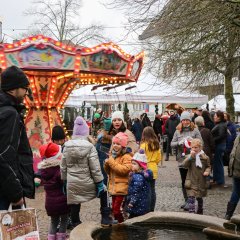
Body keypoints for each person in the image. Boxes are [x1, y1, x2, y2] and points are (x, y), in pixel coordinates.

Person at [0, 66, 35, 210]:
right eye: (24, 87)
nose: (26, 92)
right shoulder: (10, 114)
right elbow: (5, 155)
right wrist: (15, 193)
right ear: (13, 89)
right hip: (6, 191)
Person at [61, 116, 105, 228]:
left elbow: (63, 167)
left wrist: (64, 180)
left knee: (74, 199)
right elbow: (95, 168)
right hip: (86, 181)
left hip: (71, 181)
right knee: (105, 192)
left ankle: (75, 221)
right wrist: (99, 183)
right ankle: (106, 216)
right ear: (86, 132)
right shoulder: (90, 147)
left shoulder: (66, 146)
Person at [171, 111, 202, 210]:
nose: (185, 122)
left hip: (193, 160)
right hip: (182, 160)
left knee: (192, 181)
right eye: (183, 120)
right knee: (184, 181)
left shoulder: (195, 130)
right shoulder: (177, 131)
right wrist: (178, 143)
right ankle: (186, 200)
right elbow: (172, 143)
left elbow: (202, 143)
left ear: (190, 120)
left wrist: (193, 143)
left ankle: (192, 201)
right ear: (181, 121)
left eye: (187, 120)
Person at [38, 143, 69, 240]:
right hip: (62, 202)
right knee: (64, 220)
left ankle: (51, 238)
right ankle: (61, 237)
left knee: (53, 221)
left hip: (50, 203)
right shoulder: (59, 170)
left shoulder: (43, 171)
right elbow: (65, 181)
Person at [104, 132, 132, 223]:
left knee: (117, 210)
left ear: (123, 146)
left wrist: (111, 161)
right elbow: (109, 172)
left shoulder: (126, 156)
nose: (115, 146)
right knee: (114, 209)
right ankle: (117, 223)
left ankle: (121, 224)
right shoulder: (114, 156)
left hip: (121, 188)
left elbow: (123, 170)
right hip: (113, 188)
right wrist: (106, 164)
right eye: (114, 143)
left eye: (118, 144)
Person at [96, 118, 118, 226]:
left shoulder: (100, 138)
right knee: (110, 191)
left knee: (105, 192)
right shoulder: (113, 139)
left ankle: (106, 216)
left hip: (102, 169)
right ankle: (108, 216)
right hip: (111, 169)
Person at [181, 139, 211, 214]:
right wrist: (190, 157)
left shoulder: (205, 158)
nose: (194, 149)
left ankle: (200, 209)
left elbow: (208, 166)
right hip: (191, 180)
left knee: (199, 197)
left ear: (200, 148)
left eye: (196, 147)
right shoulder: (190, 157)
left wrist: (207, 171)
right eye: (192, 147)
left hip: (201, 181)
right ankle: (191, 212)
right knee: (191, 197)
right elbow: (184, 165)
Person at [125, 149, 153, 218]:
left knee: (134, 220)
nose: (132, 165)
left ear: (141, 166)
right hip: (142, 204)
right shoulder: (139, 174)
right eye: (131, 163)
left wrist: (131, 202)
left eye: (134, 164)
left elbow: (136, 191)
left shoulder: (138, 177)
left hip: (138, 204)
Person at [140, 126, 162, 211]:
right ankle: (152, 208)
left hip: (145, 168)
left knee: (146, 190)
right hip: (154, 167)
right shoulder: (157, 145)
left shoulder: (143, 145)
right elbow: (158, 159)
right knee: (152, 189)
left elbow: (141, 158)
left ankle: (147, 207)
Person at [225, 134, 240, 220]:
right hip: (237, 168)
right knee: (236, 191)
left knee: (236, 191)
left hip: (235, 168)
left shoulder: (238, 136)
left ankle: (228, 214)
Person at [211, 110, 228, 186]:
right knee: (217, 163)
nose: (214, 117)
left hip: (219, 145)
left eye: (215, 116)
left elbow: (221, 136)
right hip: (219, 145)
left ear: (219, 117)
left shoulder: (221, 125)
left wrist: (212, 140)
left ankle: (220, 180)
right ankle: (217, 179)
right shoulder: (220, 124)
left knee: (219, 163)